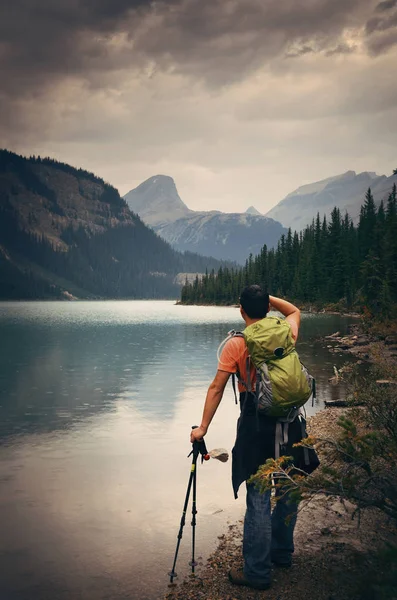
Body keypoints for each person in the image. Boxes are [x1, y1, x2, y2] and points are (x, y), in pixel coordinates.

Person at [190, 284, 304, 591]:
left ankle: (256, 572)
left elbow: (216, 388)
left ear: (241, 311)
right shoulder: (285, 332)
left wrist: (202, 428)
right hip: (291, 424)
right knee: (288, 488)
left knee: (258, 495)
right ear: (268, 309)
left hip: (256, 427)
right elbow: (294, 310)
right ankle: (282, 554)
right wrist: (271, 300)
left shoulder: (235, 345)